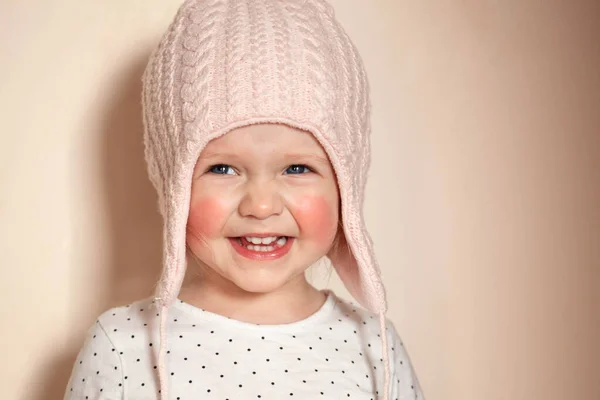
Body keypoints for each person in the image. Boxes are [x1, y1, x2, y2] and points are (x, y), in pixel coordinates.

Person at [64, 0, 425, 399]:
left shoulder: (375, 348)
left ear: (346, 185)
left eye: (297, 169)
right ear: (173, 184)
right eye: (222, 169)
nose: (261, 205)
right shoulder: (122, 348)